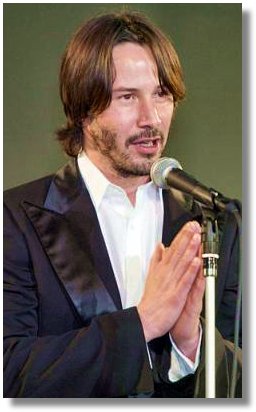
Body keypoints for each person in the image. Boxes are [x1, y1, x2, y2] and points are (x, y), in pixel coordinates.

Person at [3, 11, 241, 398]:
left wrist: (190, 342)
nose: (152, 119)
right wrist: (142, 323)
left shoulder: (214, 221)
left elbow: (240, 382)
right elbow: (9, 370)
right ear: (83, 109)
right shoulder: (13, 219)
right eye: (128, 97)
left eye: (161, 94)